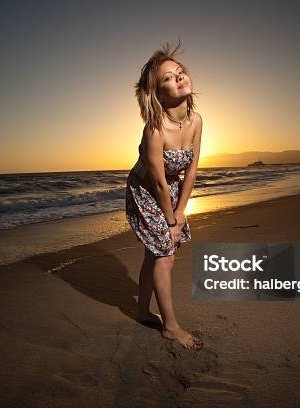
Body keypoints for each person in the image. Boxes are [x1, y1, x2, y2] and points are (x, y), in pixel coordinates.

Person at [125, 40, 203, 350]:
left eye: (180, 72)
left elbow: (192, 169)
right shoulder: (155, 130)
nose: (179, 77)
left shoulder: (196, 120)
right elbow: (157, 183)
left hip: (169, 189)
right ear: (158, 93)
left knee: (155, 253)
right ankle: (170, 326)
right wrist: (171, 220)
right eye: (168, 77)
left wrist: (182, 210)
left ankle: (142, 311)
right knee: (165, 255)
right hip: (145, 192)